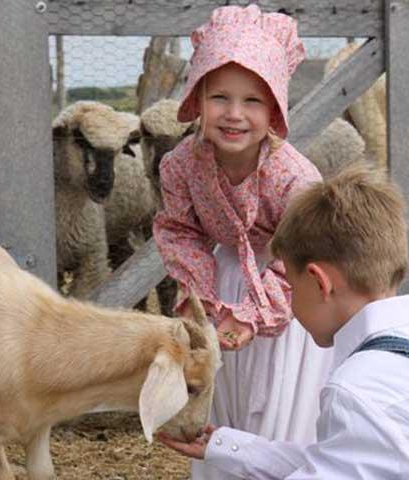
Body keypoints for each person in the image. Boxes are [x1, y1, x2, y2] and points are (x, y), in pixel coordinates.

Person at [158, 163, 409, 479]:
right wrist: (224, 446)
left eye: (292, 289)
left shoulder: (358, 388)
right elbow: (335, 462)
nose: (293, 304)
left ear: (318, 282)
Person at [151, 5, 335, 479]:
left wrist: (256, 315)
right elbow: (179, 230)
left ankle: (274, 465)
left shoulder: (292, 176)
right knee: (224, 389)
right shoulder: (182, 165)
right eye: (220, 98)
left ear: (274, 109)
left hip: (289, 291)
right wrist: (204, 297)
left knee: (275, 398)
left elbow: (307, 253)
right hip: (222, 280)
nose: (234, 115)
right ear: (197, 99)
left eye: (253, 101)